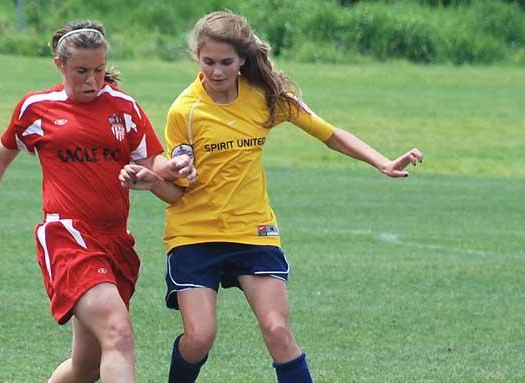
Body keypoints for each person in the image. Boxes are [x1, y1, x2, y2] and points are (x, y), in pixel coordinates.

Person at [119, 10, 423, 383]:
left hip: (253, 230)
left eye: (226, 63)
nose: (216, 72)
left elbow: (328, 132)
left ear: (242, 59)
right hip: (195, 232)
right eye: (208, 61)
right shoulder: (186, 109)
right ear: (197, 57)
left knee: (278, 331)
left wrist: (381, 161)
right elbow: (177, 192)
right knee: (199, 338)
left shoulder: (267, 97)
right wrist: (155, 178)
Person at [0, 20, 194, 383]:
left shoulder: (125, 109)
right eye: (81, 71)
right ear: (59, 65)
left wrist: (173, 166)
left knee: (86, 367)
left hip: (115, 241)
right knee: (118, 333)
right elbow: (0, 155)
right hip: (67, 237)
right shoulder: (36, 109)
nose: (92, 80)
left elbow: (151, 162)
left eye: (98, 70)